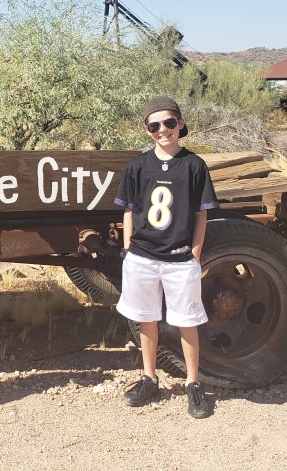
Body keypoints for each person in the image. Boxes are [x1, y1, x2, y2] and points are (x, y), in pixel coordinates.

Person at [114, 96, 218, 419]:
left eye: (169, 123)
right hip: (143, 257)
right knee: (147, 318)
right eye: (155, 125)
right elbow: (129, 210)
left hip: (179, 259)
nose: (163, 130)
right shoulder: (138, 166)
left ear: (181, 124)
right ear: (147, 130)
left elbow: (201, 215)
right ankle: (149, 377)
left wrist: (195, 254)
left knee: (187, 322)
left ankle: (193, 383)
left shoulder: (194, 165)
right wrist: (131, 246)